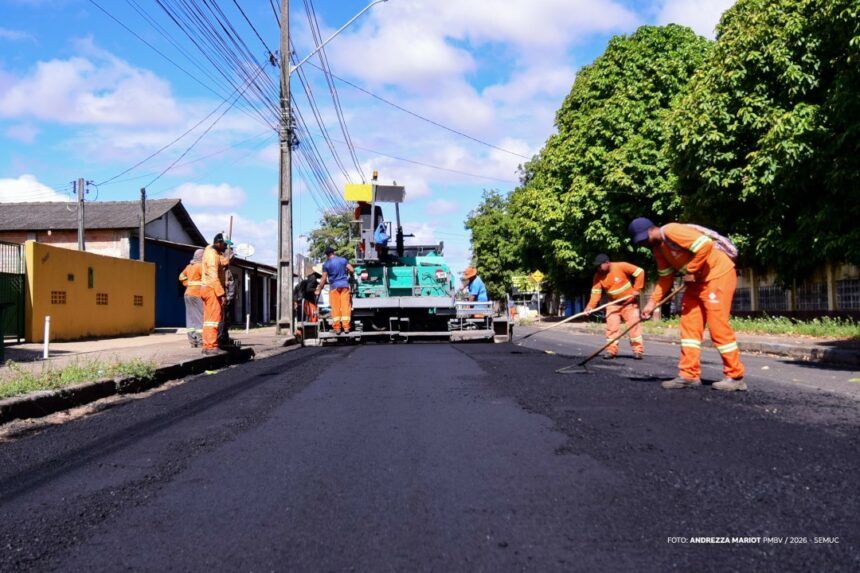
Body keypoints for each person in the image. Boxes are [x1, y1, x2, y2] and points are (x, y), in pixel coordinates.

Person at [629, 217, 746, 391]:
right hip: (695, 284)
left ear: (651, 230)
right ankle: (689, 375)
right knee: (689, 328)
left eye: (643, 239)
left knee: (718, 328)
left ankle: (735, 376)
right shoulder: (658, 250)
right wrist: (652, 303)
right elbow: (665, 278)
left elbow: (705, 245)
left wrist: (691, 270)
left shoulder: (671, 230)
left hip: (717, 276)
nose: (643, 244)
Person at [584, 254, 645, 360]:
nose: (598, 268)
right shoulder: (597, 276)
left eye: (600, 266)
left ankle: (637, 351)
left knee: (634, 327)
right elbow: (595, 294)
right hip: (612, 304)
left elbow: (640, 272)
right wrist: (590, 306)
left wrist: (637, 289)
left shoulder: (621, 266)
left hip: (629, 303)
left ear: (607, 263)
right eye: (597, 267)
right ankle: (611, 351)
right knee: (612, 329)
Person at [200, 233, 232, 354]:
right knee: (213, 319)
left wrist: (227, 259)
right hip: (211, 289)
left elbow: (221, 261)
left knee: (209, 320)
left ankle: (207, 345)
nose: (225, 247)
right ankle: (212, 346)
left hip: (207, 288)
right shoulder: (212, 255)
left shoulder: (211, 251)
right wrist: (221, 294)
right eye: (224, 245)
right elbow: (214, 276)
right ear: (218, 243)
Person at [316, 247, 354, 334]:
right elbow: (352, 269)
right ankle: (346, 327)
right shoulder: (343, 260)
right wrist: (350, 275)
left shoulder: (326, 264)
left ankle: (337, 328)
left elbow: (323, 279)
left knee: (335, 307)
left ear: (326, 255)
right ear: (334, 252)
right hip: (345, 286)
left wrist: (319, 289)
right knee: (345, 306)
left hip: (334, 287)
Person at [178, 249, 204, 348]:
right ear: (201, 256)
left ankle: (192, 341)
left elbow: (181, 276)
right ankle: (201, 340)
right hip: (197, 294)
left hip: (188, 294)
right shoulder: (201, 266)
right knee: (199, 317)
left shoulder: (189, 266)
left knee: (190, 317)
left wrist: (187, 283)